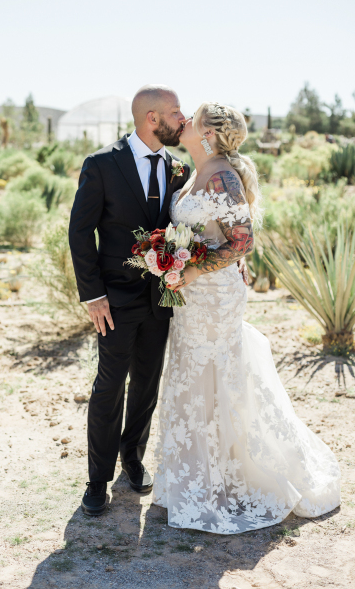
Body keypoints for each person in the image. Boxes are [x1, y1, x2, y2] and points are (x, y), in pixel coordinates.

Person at [152, 102, 341, 534]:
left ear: (208, 135)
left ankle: (233, 474)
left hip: (215, 295)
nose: (182, 123)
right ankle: (193, 476)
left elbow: (242, 242)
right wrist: (170, 261)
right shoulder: (194, 173)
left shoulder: (222, 175)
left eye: (191, 119)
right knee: (189, 373)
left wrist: (193, 268)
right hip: (191, 295)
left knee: (218, 373)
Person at [69, 84, 190, 515]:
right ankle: (97, 479)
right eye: (176, 112)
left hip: (161, 298)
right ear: (152, 119)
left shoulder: (178, 168)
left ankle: (132, 459)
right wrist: (93, 294)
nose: (183, 118)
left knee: (147, 382)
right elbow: (80, 232)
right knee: (109, 385)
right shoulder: (102, 164)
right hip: (114, 300)